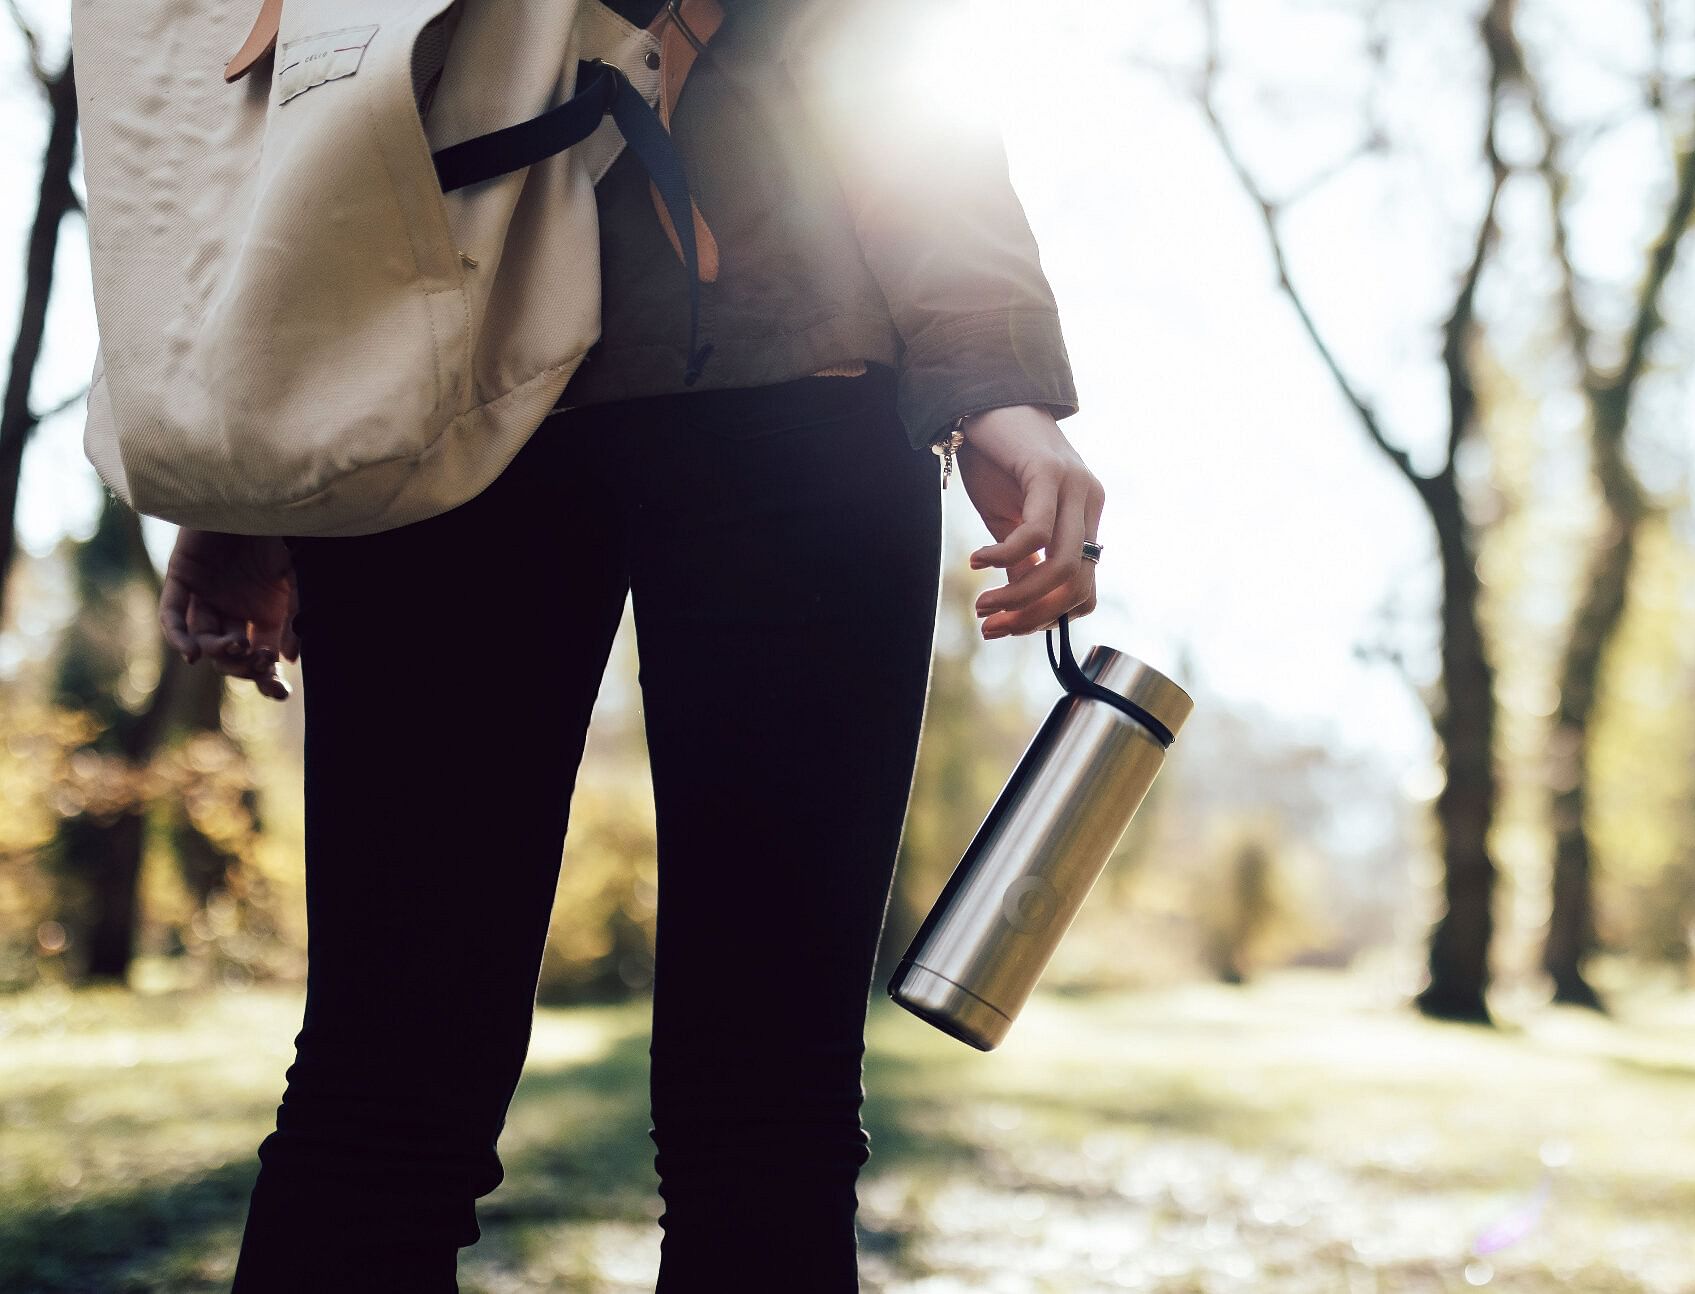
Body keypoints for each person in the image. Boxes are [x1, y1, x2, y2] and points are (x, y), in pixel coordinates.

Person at [150, 1, 1102, 1289]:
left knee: (744, 1107)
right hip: (447, 387)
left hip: (769, 380)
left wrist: (993, 371)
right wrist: (239, 467)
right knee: (396, 1091)